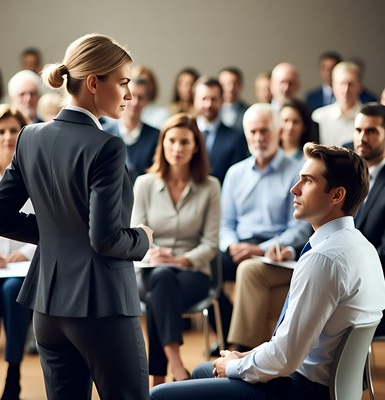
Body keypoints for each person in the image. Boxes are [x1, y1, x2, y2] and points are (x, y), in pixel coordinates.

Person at [0, 33, 153, 400]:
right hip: (102, 306)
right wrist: (143, 237)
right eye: (123, 81)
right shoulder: (108, 146)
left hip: (47, 308)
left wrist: (55, 230)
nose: (129, 93)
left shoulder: (29, 136)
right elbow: (106, 239)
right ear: (94, 82)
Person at [150, 142, 385, 400]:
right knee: (203, 371)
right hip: (325, 384)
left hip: (302, 390)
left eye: (307, 181)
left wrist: (234, 366)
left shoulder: (323, 259)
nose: (294, 189)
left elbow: (286, 357)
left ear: (336, 195)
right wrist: (245, 356)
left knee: (160, 395)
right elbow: (294, 347)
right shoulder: (362, 247)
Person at [131, 113, 220, 387]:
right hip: (149, 270)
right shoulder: (144, 184)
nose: (177, 148)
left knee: (163, 289)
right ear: (162, 143)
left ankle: (159, 379)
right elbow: (136, 234)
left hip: (192, 273)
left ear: (196, 147)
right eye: (172, 141)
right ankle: (177, 366)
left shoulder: (210, 186)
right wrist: (153, 253)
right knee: (161, 281)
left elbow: (211, 243)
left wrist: (181, 259)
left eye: (184, 142)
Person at [214, 103, 311, 351]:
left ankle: (237, 348)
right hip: (238, 245)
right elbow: (225, 223)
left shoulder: (297, 173)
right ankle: (226, 334)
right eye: (253, 132)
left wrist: (259, 249)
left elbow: (300, 229)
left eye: (265, 131)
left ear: (279, 131)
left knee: (249, 269)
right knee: (206, 266)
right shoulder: (235, 173)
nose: (258, 138)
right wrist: (232, 244)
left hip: (276, 250)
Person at [0, 104, 36, 400]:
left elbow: (46, 222)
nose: (7, 137)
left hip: (23, 267)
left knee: (14, 291)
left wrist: (27, 252)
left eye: (14, 130)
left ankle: (14, 373)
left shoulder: (35, 175)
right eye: (1, 131)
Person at [352, 103, 385, 336]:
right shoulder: (345, 165)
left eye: (372, 131)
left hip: (374, 279)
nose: (363, 137)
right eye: (358, 130)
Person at [101, 77, 160, 182]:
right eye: (132, 96)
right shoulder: (103, 133)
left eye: (141, 97)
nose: (135, 102)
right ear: (122, 97)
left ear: (147, 101)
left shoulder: (156, 136)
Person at [193, 76, 249, 184]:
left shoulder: (236, 138)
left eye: (213, 99)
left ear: (222, 100)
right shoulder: (185, 134)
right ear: (195, 100)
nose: (208, 104)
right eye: (204, 98)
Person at [312, 61, 362, 146]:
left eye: (351, 84)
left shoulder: (369, 119)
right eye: (342, 83)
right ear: (333, 85)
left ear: (359, 86)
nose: (346, 90)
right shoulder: (319, 117)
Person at [132, 64, 170, 129]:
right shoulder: (118, 114)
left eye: (145, 82)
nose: (141, 86)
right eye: (137, 81)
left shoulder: (162, 114)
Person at [218, 67, 249, 132]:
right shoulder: (211, 111)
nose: (230, 88)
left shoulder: (249, 112)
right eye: (225, 84)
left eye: (234, 83)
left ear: (240, 85)